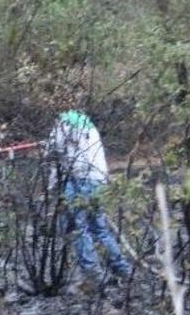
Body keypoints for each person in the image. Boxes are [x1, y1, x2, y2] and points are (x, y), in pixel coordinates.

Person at [45, 109, 132, 287]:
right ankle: (122, 269)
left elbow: (53, 152)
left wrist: (52, 186)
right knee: (99, 229)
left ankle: (93, 274)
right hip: (98, 180)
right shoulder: (87, 124)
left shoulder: (63, 123)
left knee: (76, 227)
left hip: (79, 180)